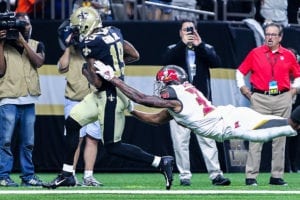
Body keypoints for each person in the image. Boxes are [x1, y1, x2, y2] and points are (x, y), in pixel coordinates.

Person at [43, 6, 174, 190]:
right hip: (102, 93)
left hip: (110, 95)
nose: (75, 31)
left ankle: (160, 162)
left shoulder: (89, 44)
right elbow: (134, 55)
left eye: (77, 28)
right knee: (72, 122)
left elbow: (96, 82)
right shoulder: (113, 31)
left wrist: (86, 73)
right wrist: (114, 65)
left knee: (113, 146)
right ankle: (67, 174)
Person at [94, 63, 300, 143]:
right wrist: (133, 111)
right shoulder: (181, 96)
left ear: (170, 81)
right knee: (290, 125)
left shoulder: (174, 94)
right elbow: (157, 120)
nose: (160, 88)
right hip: (232, 118)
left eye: (162, 83)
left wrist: (113, 79)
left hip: (234, 125)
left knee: (289, 124)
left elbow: (142, 98)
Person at [161, 19, 230, 186]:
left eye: (191, 30)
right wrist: (182, 44)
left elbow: (217, 63)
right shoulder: (174, 49)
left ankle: (215, 175)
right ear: (180, 32)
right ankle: (185, 176)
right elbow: (166, 61)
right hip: (178, 104)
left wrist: (199, 45)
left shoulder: (204, 48)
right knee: (180, 142)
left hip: (201, 104)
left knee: (208, 139)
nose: (188, 33)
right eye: (185, 30)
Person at [236, 22, 300, 186]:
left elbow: (298, 75)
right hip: (260, 98)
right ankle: (251, 176)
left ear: (280, 37)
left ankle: (276, 176)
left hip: (282, 98)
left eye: (273, 34)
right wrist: (242, 87)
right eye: (267, 34)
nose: (270, 37)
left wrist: (294, 90)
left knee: (280, 138)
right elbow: (240, 71)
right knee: (255, 136)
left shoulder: (288, 55)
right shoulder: (255, 53)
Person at [0, 12, 45, 187]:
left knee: (28, 143)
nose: (21, 27)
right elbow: (0, 71)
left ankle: (28, 176)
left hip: (29, 100)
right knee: (5, 141)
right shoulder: (3, 45)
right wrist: (1, 43)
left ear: (30, 26)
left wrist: (23, 43)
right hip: (8, 99)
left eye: (24, 24)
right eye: (18, 25)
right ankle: (3, 176)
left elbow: (39, 62)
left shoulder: (36, 44)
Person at [57, 21, 103, 187]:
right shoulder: (69, 52)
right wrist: (69, 46)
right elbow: (62, 68)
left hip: (94, 99)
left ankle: (89, 176)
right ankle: (71, 174)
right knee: (75, 139)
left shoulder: (93, 50)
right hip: (74, 101)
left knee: (93, 139)